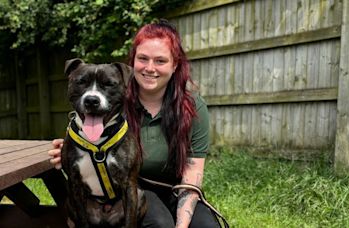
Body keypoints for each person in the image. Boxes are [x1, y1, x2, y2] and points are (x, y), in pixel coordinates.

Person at [48, 19, 220, 228]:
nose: (150, 68)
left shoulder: (191, 106)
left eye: (160, 61)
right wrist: (72, 149)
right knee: (159, 225)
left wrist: (182, 226)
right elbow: (90, 138)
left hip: (178, 189)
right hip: (137, 189)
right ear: (133, 62)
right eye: (143, 58)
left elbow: (192, 173)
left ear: (175, 65)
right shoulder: (115, 101)